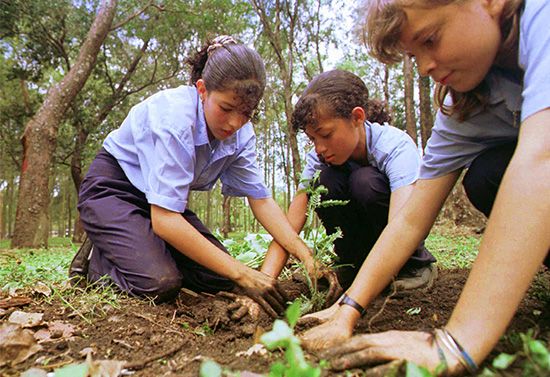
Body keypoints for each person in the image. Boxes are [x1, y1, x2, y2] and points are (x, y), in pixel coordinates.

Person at [300, 0, 550, 375]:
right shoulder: (465, 103)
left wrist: (457, 340)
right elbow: (410, 219)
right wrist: (347, 309)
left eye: (430, 39)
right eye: (414, 55)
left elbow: (540, 159)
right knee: (486, 176)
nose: (424, 67)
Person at [70, 36, 337, 318]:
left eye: (246, 113)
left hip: (160, 203)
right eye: (225, 108)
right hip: (114, 190)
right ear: (202, 90)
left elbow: (260, 200)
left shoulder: (242, 136)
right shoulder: (175, 118)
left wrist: (304, 253)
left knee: (220, 278)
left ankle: (141, 247)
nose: (234, 123)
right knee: (159, 283)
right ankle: (97, 261)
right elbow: (165, 222)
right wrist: (244, 273)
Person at [261, 69, 436, 296]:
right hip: (361, 253)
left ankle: (414, 268)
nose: (319, 148)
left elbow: (403, 224)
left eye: (326, 135)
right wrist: (265, 281)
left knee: (365, 181)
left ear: (357, 117)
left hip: (398, 244)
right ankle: (351, 267)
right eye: (313, 139)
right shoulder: (318, 158)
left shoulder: (395, 147)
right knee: (325, 180)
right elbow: (292, 222)